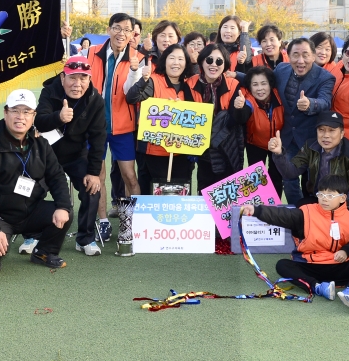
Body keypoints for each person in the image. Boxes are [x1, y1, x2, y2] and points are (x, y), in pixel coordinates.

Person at [240, 175, 349, 315]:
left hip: (339, 264)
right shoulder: (305, 213)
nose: (324, 199)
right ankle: (318, 287)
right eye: (321, 194)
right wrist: (257, 210)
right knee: (282, 265)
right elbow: (282, 215)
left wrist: (346, 250)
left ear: (343, 198)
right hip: (311, 266)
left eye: (330, 195)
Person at [0, 89, 73, 271]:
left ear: (33, 116)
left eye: (26, 112)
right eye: (15, 110)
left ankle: (44, 252)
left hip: (31, 210)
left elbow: (57, 176)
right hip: (1, 215)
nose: (21, 117)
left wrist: (63, 207)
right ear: (5, 112)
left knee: (65, 212)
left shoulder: (41, 144)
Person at [35, 56, 107, 256]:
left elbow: (98, 137)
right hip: (46, 155)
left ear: (89, 79)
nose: (78, 84)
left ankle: (85, 238)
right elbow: (39, 121)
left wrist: (93, 173)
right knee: (30, 190)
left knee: (92, 189)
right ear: (62, 77)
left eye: (83, 78)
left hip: (75, 155)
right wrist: (58, 117)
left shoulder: (95, 99)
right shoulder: (49, 92)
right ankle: (32, 235)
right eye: (72, 78)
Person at [85, 13, 143, 226]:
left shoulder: (138, 58)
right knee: (97, 175)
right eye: (117, 28)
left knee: (130, 176)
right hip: (95, 128)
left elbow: (131, 93)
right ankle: (102, 222)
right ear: (109, 29)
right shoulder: (89, 53)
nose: (122, 33)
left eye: (127, 30)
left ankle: (133, 222)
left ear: (132, 34)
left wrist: (135, 71)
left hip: (123, 128)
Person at [270, 111, 349, 221]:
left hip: (346, 200)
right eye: (321, 130)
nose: (326, 135)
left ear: (342, 133)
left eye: (332, 131)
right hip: (320, 199)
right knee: (301, 212)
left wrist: (333, 205)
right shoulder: (310, 146)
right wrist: (279, 153)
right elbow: (290, 173)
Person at [273, 38, 336, 205]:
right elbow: (261, 80)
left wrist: (310, 104)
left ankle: (313, 214)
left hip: (312, 139)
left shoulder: (325, 77)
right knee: (289, 180)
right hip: (288, 137)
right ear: (288, 55)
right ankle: (297, 211)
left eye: (305, 55)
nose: (300, 61)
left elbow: (325, 101)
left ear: (314, 56)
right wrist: (236, 75)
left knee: (314, 181)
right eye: (295, 55)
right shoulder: (281, 69)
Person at [126, 45, 197, 191]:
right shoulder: (153, 80)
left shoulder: (190, 85)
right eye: (171, 58)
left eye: (180, 59)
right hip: (154, 151)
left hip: (181, 151)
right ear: (164, 61)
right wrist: (143, 80)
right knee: (153, 189)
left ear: (186, 63)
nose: (176, 63)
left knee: (180, 190)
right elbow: (132, 98)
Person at [188, 44, 250, 192]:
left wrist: (239, 108)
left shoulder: (233, 84)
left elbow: (240, 119)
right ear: (202, 61)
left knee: (229, 193)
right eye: (209, 60)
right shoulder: (190, 83)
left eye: (219, 61)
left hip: (228, 146)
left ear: (225, 65)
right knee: (205, 191)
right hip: (202, 146)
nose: (213, 65)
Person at [241, 66, 286, 198]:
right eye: (255, 84)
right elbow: (242, 114)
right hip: (254, 144)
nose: (260, 88)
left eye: (263, 83)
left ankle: (275, 209)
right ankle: (255, 208)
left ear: (270, 84)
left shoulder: (279, 95)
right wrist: (239, 108)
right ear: (250, 86)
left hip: (277, 144)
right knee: (255, 179)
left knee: (276, 178)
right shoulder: (248, 100)